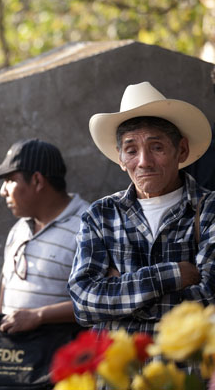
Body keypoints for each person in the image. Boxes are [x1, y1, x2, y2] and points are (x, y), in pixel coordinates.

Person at [68, 81, 215, 334]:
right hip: (118, 371)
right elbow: (84, 303)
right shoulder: (101, 215)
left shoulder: (209, 209)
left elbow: (208, 299)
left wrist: (118, 299)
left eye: (156, 147)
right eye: (131, 150)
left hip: (185, 372)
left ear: (181, 150)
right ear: (120, 159)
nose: (144, 162)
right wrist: (173, 274)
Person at [0, 139, 88, 333]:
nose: (2, 191)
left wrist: (39, 316)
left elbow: (101, 302)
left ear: (37, 181)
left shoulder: (89, 227)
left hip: (59, 358)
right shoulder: (19, 228)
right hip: (14, 357)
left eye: (10, 180)